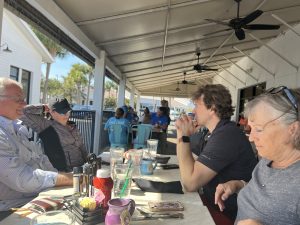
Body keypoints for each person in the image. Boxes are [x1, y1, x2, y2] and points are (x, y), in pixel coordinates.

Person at [215, 86, 300, 225]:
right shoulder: (267, 160)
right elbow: (269, 196)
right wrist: (238, 185)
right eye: (251, 129)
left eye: (259, 129)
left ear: (293, 129)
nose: (251, 138)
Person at [175, 84, 257, 220]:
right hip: (214, 207)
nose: (193, 111)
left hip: (230, 215)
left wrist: (183, 137)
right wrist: (181, 133)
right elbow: (190, 163)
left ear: (212, 107)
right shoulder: (214, 133)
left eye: (197, 106)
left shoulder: (227, 135)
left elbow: (189, 183)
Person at [0, 78, 72, 213]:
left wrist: (63, 177)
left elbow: (40, 159)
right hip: (10, 210)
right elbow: (22, 178)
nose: (24, 104)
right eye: (18, 99)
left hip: (37, 198)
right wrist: (68, 179)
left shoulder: (18, 128)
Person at [21, 98, 88, 170]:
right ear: (52, 112)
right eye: (62, 112)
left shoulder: (72, 126)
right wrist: (43, 107)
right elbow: (22, 112)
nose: (66, 115)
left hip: (81, 168)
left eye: (68, 111)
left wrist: (87, 161)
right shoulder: (45, 125)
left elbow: (81, 146)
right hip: (63, 172)